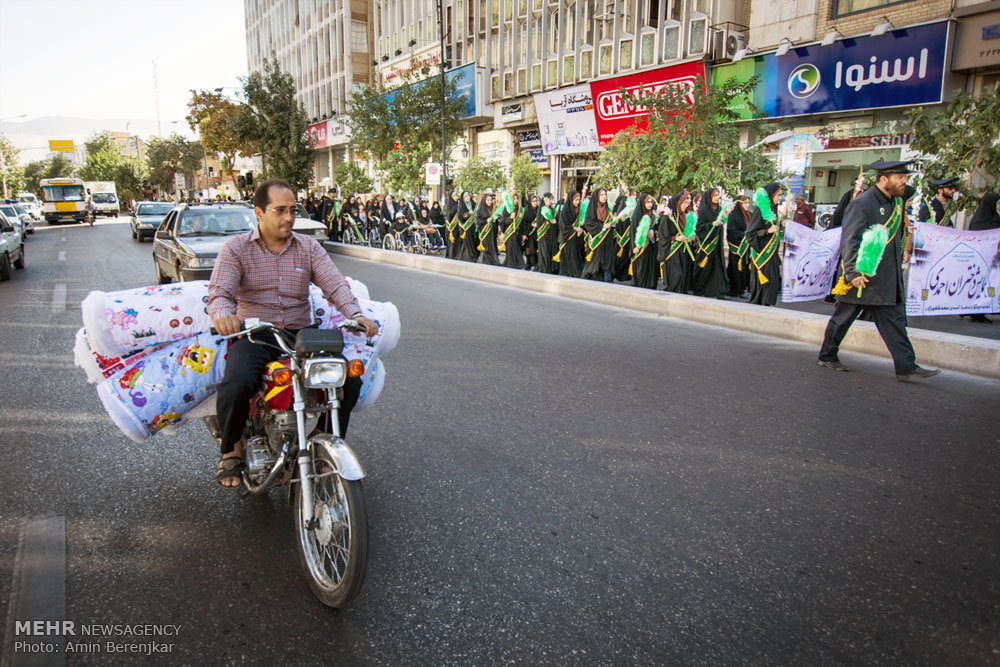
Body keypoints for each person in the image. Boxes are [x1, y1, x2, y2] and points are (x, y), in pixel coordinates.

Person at [207, 178, 380, 487]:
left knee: (348, 381)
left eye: (293, 210)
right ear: (259, 213)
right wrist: (223, 316)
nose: (289, 218)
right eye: (280, 210)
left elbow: (334, 284)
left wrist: (356, 314)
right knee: (236, 383)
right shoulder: (235, 249)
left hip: (301, 334)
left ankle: (319, 438)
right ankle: (230, 451)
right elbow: (220, 293)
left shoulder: (308, 247)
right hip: (256, 333)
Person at [818, 161, 940, 381]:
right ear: (884, 179)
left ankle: (906, 366)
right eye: (900, 178)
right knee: (842, 318)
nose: (905, 182)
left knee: (894, 322)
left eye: (905, 178)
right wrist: (853, 273)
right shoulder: (863, 203)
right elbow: (850, 239)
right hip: (862, 276)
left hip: (885, 279)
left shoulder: (896, 200)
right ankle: (827, 355)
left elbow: (909, 191)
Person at [745, 182, 784, 306]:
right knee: (764, 284)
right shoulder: (760, 210)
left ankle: (767, 304)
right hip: (762, 253)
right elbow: (750, 233)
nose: (780, 198)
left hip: (771, 253)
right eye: (778, 195)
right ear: (771, 195)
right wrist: (767, 231)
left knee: (772, 283)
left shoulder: (773, 209)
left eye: (781, 195)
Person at [964, 192, 1000, 323]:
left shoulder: (994, 218)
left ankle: (980, 311)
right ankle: (975, 312)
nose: (998, 207)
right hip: (979, 260)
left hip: (991, 259)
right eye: (996, 204)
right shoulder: (978, 221)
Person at [692, 187, 728, 298]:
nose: (717, 198)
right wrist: (712, 224)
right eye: (715, 195)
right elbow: (699, 228)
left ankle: (719, 291)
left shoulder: (719, 210)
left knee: (718, 267)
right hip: (706, 244)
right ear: (709, 197)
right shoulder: (703, 210)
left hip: (716, 243)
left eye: (718, 195)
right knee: (704, 268)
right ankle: (700, 289)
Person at [658, 191, 694, 293]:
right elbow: (662, 235)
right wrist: (675, 238)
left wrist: (689, 238)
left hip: (682, 251)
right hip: (671, 251)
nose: (685, 206)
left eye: (687, 204)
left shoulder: (685, 216)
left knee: (683, 275)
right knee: (676, 275)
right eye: (684, 203)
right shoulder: (669, 217)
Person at [581, 187, 617, 282]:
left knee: (607, 262)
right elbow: (588, 223)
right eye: (601, 195)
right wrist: (602, 226)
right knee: (593, 263)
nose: (604, 197)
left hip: (607, 241)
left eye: (605, 194)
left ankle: (607, 282)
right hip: (596, 240)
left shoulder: (608, 209)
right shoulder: (593, 208)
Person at [629, 193, 658, 290]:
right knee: (641, 269)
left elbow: (656, 227)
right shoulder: (637, 215)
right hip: (640, 247)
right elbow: (633, 232)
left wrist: (652, 230)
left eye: (651, 202)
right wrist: (634, 246)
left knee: (651, 268)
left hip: (651, 246)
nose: (650, 204)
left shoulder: (653, 215)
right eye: (647, 202)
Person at [726, 195, 751, 298]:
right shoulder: (734, 215)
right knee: (735, 268)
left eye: (748, 202)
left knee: (744, 268)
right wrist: (744, 235)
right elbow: (731, 231)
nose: (747, 205)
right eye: (745, 203)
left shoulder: (750, 215)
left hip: (746, 247)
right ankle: (735, 289)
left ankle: (742, 288)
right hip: (736, 247)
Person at [556, 190, 584, 278]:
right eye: (576, 200)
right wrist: (575, 229)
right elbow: (563, 225)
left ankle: (576, 273)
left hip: (576, 237)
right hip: (567, 237)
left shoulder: (578, 209)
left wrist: (580, 229)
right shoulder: (566, 210)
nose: (577, 202)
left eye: (579, 200)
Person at [535, 192, 559, 274]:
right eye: (549, 199)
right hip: (544, 234)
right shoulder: (541, 210)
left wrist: (555, 222)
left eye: (552, 199)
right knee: (545, 252)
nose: (551, 201)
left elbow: (557, 221)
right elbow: (540, 222)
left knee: (552, 251)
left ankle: (552, 268)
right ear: (544, 199)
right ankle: (544, 268)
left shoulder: (553, 210)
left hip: (552, 234)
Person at [501, 194, 527, 269]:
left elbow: (523, 223)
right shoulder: (506, 209)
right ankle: (515, 264)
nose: (515, 200)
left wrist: (524, 234)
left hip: (518, 234)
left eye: (516, 198)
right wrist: (510, 218)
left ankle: (517, 264)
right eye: (514, 199)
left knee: (518, 249)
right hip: (510, 234)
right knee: (512, 250)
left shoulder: (521, 210)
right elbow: (503, 222)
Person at [476, 190, 500, 265]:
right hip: (485, 232)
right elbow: (478, 221)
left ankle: (494, 261)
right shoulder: (481, 209)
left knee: (492, 247)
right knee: (487, 248)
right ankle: (488, 262)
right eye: (488, 200)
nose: (490, 202)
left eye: (490, 200)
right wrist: (486, 220)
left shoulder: (493, 209)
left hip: (492, 232)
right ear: (484, 200)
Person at [455, 192, 479, 262]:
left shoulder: (473, 204)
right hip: (465, 227)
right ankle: (469, 256)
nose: (468, 197)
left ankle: (472, 255)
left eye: (468, 195)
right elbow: (460, 216)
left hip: (473, 227)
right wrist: (468, 214)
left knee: (473, 241)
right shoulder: (461, 206)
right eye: (465, 196)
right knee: (467, 242)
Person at [443, 191, 460, 259]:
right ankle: (451, 256)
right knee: (451, 245)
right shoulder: (449, 205)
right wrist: (457, 207)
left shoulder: (457, 204)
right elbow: (449, 214)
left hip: (457, 228)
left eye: (457, 196)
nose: (456, 197)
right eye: (454, 196)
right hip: (451, 228)